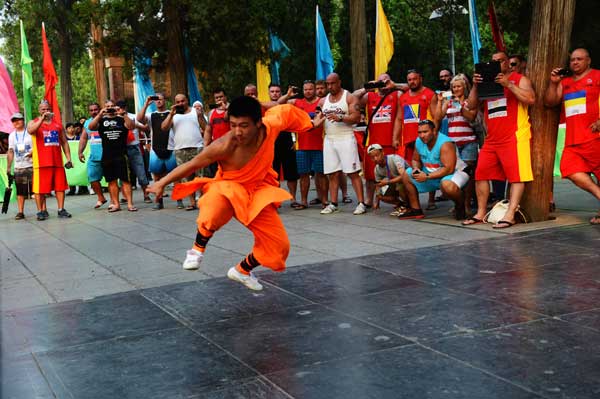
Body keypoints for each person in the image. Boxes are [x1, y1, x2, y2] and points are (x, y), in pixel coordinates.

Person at [147, 97, 323, 290]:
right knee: (214, 203)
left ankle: (241, 270)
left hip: (257, 190)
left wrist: (309, 124)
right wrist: (161, 183)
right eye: (233, 125)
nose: (238, 131)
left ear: (258, 122)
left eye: (244, 125)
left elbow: (286, 110)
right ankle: (197, 249)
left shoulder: (271, 125)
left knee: (279, 245)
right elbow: (192, 164)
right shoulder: (224, 145)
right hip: (228, 187)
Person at [463, 51, 535, 228]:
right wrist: (474, 85)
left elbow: (531, 99)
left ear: (508, 63)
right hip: (492, 139)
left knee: (517, 177)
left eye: (500, 61)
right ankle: (480, 213)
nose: (496, 64)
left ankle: (510, 214)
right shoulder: (486, 83)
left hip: (515, 136)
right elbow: (471, 106)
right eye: (493, 61)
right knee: (481, 174)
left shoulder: (520, 79)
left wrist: (508, 85)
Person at [544, 48, 600, 225]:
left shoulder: (597, 76)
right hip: (573, 139)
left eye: (579, 59)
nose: (575, 62)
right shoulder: (565, 82)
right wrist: (553, 83)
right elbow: (550, 102)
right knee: (568, 170)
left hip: (594, 136)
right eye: (572, 60)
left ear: (588, 61)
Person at [318, 73, 367, 215]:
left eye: (332, 83)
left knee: (352, 172)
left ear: (339, 82)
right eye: (327, 84)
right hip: (329, 139)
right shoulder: (323, 101)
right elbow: (317, 119)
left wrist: (341, 117)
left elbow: (356, 117)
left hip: (345, 137)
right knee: (332, 173)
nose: (330, 86)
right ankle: (333, 203)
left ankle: (361, 203)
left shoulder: (349, 97)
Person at [400, 119, 468, 220]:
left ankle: (460, 206)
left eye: (425, 132)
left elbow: (448, 169)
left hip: (453, 173)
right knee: (407, 174)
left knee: (447, 186)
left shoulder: (445, 143)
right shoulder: (419, 141)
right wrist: (416, 169)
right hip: (431, 174)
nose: (422, 135)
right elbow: (415, 159)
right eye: (420, 132)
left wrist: (427, 176)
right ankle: (416, 210)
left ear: (434, 131)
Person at [353, 73, 402, 208]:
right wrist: (368, 87)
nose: (383, 85)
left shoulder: (396, 95)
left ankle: (395, 198)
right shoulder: (370, 96)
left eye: (385, 81)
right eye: (381, 82)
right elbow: (352, 98)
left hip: (389, 142)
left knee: (392, 172)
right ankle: (369, 199)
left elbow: (410, 89)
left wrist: (394, 84)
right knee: (370, 175)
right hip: (372, 142)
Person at [393, 69, 438, 210]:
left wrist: (434, 135)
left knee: (429, 167)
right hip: (408, 140)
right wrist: (395, 137)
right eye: (409, 80)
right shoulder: (404, 97)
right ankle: (412, 203)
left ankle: (431, 200)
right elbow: (399, 118)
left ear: (421, 79)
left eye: (414, 79)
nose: (412, 82)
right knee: (409, 170)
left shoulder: (430, 94)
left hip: (425, 139)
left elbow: (436, 117)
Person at [279, 80, 328, 209]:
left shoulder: (322, 102)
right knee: (303, 174)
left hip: (320, 145)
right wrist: (288, 95)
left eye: (310, 89)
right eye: (305, 89)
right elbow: (279, 104)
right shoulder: (297, 103)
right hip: (302, 146)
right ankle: (304, 201)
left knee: (321, 174)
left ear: (315, 89)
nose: (308, 91)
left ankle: (325, 201)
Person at [434, 74, 478, 216]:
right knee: (455, 173)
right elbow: (438, 117)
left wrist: (460, 106)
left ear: (465, 86)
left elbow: (471, 117)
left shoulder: (469, 102)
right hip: (453, 143)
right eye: (453, 87)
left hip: (468, 141)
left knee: (469, 174)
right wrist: (441, 102)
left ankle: (467, 205)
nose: (456, 89)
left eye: (458, 86)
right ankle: (458, 203)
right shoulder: (450, 102)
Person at [26, 100, 73, 220]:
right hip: (41, 163)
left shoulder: (58, 124)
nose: (46, 111)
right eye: (43, 109)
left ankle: (61, 209)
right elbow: (31, 130)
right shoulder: (34, 122)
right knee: (39, 189)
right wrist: (42, 119)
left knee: (60, 187)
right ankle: (40, 211)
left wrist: (68, 158)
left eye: (47, 109)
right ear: (39, 110)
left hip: (57, 162)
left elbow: (64, 142)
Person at [88, 101, 136, 212]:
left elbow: (131, 126)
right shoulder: (101, 120)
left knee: (125, 180)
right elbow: (91, 127)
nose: (110, 108)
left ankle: (130, 204)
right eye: (107, 107)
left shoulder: (121, 118)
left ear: (116, 107)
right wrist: (100, 114)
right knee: (111, 181)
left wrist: (123, 114)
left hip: (121, 155)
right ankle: (116, 204)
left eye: (112, 106)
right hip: (107, 155)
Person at [161, 93, 207, 210]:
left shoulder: (195, 112)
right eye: (178, 102)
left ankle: (202, 200)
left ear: (187, 100)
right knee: (186, 178)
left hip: (197, 148)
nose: (181, 103)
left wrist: (200, 116)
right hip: (180, 150)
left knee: (200, 176)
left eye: (183, 101)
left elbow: (206, 128)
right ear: (175, 103)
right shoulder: (173, 115)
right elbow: (164, 128)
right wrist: (171, 114)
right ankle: (192, 202)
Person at [137, 93, 177, 210]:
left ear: (165, 100)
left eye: (160, 99)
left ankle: (179, 200)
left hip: (171, 148)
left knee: (176, 176)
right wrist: (146, 104)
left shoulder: (172, 113)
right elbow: (139, 119)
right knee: (156, 177)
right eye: (156, 100)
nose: (158, 101)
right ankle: (159, 201)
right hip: (156, 149)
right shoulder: (151, 115)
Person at [268, 83, 299, 206]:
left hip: (287, 141)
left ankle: (293, 198)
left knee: (291, 173)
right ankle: (276, 200)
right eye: (272, 91)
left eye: (277, 91)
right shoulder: (266, 106)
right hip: (272, 143)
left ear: (281, 93)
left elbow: (295, 123)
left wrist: (295, 140)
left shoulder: (288, 106)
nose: (275, 93)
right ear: (269, 93)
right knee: (273, 174)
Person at [115, 100, 151, 203]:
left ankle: (146, 194)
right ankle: (125, 196)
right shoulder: (115, 119)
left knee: (141, 172)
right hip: (121, 149)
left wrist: (146, 134)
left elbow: (140, 126)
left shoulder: (132, 116)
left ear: (124, 108)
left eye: (120, 109)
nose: (118, 111)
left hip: (133, 147)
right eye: (116, 109)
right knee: (122, 173)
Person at [79, 102, 108, 209]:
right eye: (91, 110)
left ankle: (118, 200)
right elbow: (83, 138)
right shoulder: (87, 123)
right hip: (95, 157)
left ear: (100, 109)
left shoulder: (107, 120)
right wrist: (80, 152)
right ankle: (101, 198)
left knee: (113, 179)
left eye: (96, 109)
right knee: (92, 178)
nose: (93, 112)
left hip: (108, 155)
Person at [366, 143, 408, 216]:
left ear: (382, 153)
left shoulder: (394, 158)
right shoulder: (377, 169)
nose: (375, 159)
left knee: (399, 185)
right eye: (372, 157)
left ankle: (409, 206)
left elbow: (404, 175)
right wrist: (377, 201)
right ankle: (401, 204)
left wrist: (388, 182)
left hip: (408, 181)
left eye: (377, 155)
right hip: (394, 182)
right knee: (380, 194)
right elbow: (378, 185)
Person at [6, 113, 33, 220]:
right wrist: (9, 167)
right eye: (14, 120)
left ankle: (42, 210)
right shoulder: (12, 135)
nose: (16, 122)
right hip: (19, 167)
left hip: (32, 165)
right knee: (20, 191)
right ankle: (21, 212)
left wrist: (32, 153)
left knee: (36, 191)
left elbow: (37, 146)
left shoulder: (30, 132)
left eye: (18, 120)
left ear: (23, 120)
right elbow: (11, 151)